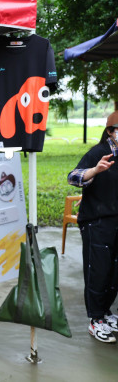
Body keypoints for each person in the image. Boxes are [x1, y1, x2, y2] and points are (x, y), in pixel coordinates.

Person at [68, 110, 118, 343]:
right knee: (98, 270)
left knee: (114, 273)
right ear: (111, 131)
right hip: (97, 222)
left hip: (115, 221)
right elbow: (74, 177)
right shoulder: (98, 153)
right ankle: (95, 319)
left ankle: (105, 312)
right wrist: (95, 171)